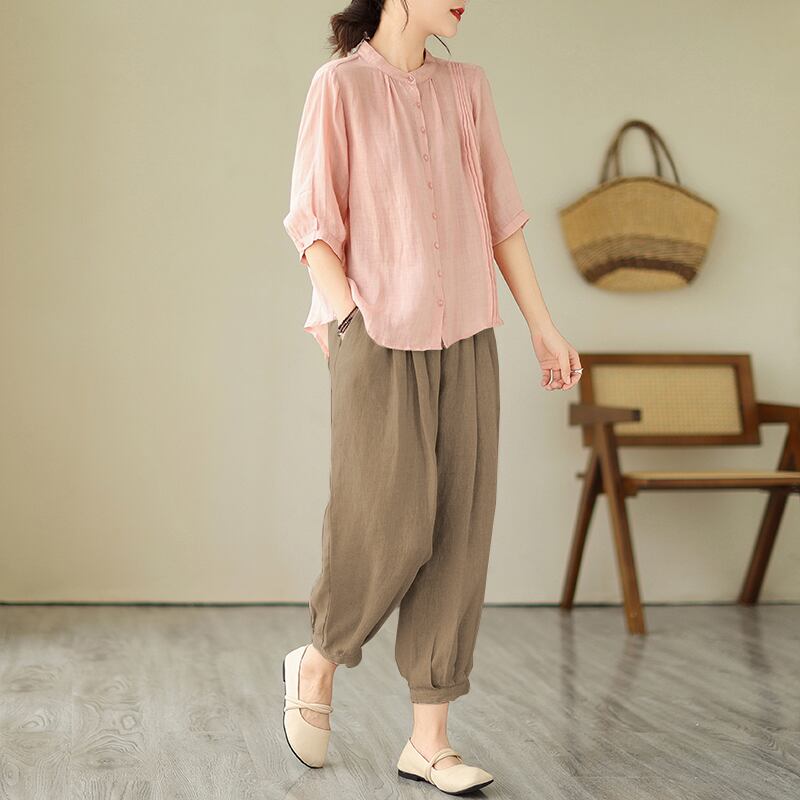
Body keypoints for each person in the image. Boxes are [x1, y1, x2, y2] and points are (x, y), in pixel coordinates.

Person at [280, 1, 581, 794]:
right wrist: (349, 317)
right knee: (387, 523)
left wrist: (542, 327)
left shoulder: (467, 87)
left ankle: (429, 741)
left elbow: (502, 218)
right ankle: (319, 659)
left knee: (458, 531)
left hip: (469, 333)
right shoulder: (339, 87)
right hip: (379, 334)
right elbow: (313, 222)